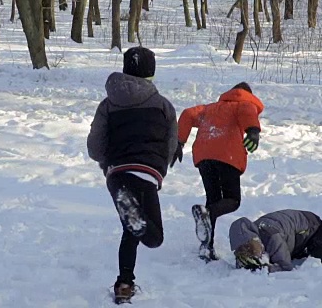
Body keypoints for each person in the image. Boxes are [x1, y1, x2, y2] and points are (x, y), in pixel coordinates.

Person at [87, 46, 178, 304]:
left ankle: (124, 284)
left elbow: (95, 147)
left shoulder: (107, 104)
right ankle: (125, 281)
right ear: (152, 72)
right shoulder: (163, 105)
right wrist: (161, 164)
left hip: (117, 174)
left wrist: (109, 162)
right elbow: (171, 144)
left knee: (131, 229)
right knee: (154, 236)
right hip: (147, 172)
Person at [172, 82, 264, 261]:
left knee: (213, 201)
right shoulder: (243, 103)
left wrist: (179, 141)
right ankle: (206, 215)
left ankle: (207, 247)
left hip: (204, 155)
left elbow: (188, 114)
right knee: (232, 200)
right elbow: (247, 111)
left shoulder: (210, 108)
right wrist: (253, 131)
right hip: (227, 155)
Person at [229, 209, 322, 272]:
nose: (249, 252)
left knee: (318, 264)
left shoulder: (272, 236)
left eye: (250, 247)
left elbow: (285, 267)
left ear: (255, 239)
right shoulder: (247, 235)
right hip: (294, 238)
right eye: (243, 249)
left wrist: (265, 269)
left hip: (315, 229)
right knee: (296, 256)